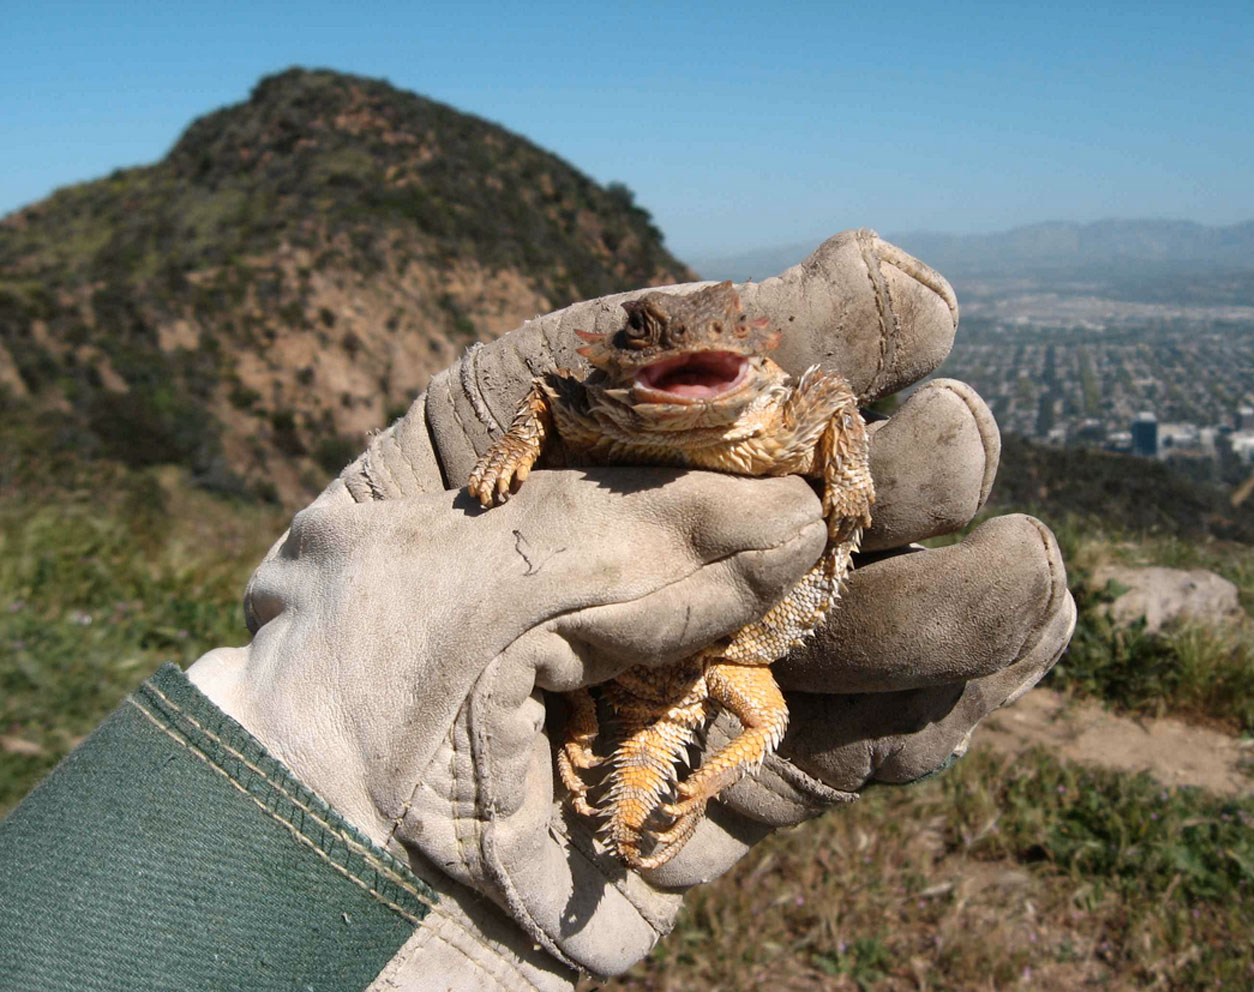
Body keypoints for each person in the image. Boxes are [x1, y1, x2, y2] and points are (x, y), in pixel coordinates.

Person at [0, 231, 1075, 992]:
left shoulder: (796, 401)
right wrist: (509, 461)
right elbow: (548, 401)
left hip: (736, 636)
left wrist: (844, 497)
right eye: (660, 332)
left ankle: (676, 779)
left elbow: (833, 403)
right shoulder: (576, 397)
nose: (701, 345)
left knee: (768, 713)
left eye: (727, 336)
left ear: (753, 348)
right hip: (586, 677)